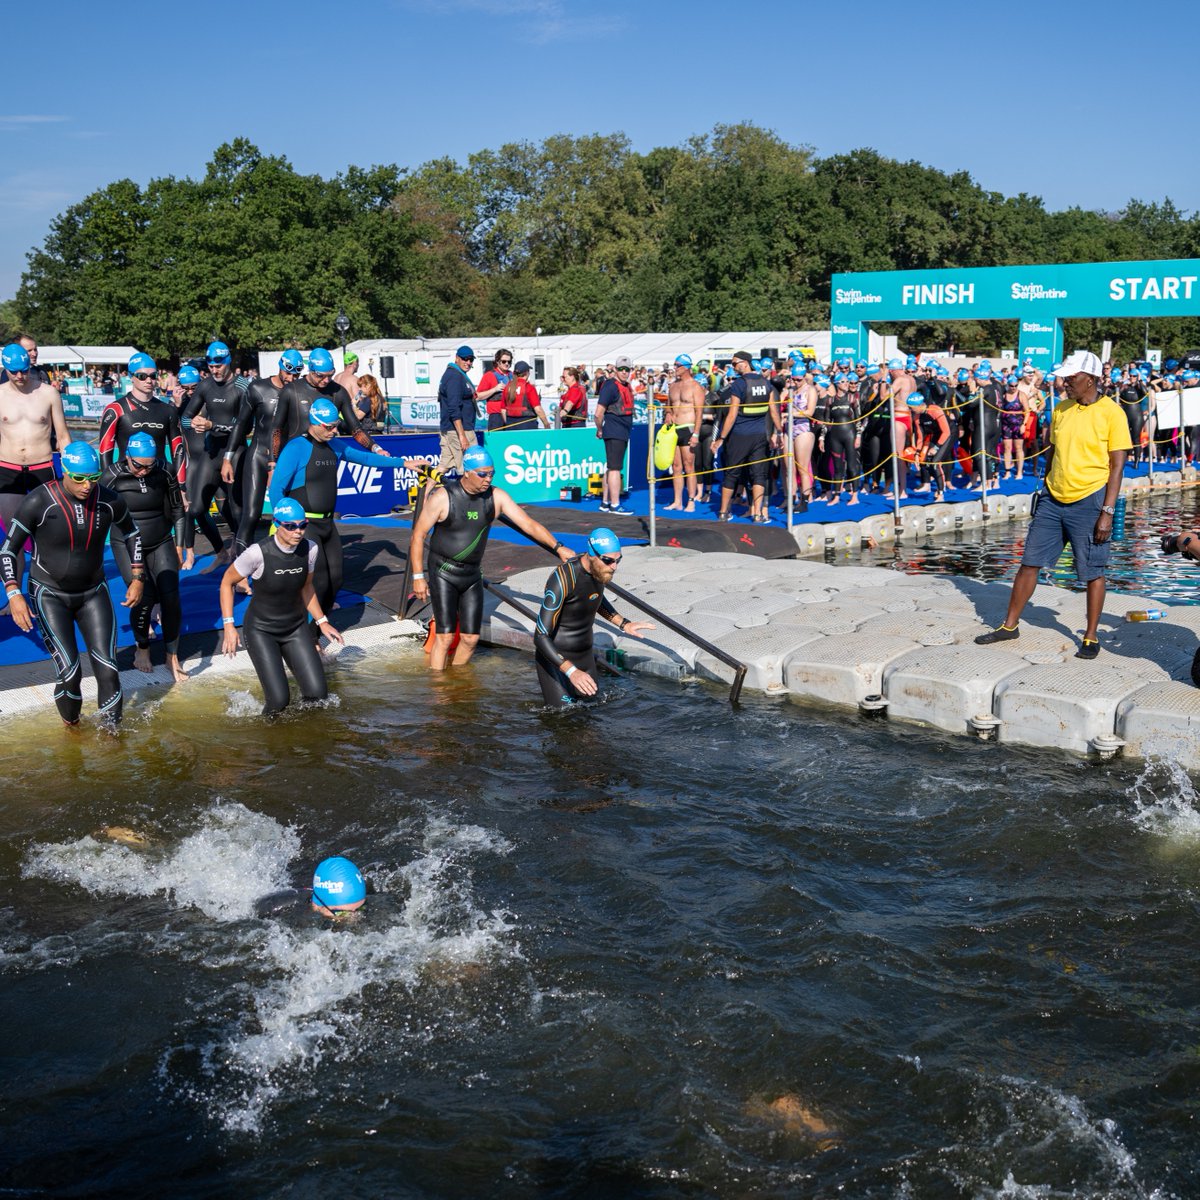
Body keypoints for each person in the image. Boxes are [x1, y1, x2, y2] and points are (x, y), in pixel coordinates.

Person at [976, 350, 1132, 659]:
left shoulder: (1112, 413)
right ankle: (1009, 625)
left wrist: (1107, 512)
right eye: (1065, 377)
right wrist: (1044, 487)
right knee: (1029, 562)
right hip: (1053, 498)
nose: (1064, 383)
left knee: (1092, 571)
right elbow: (1052, 451)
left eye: (1071, 378)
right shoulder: (1061, 409)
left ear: (1091, 379)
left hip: (1091, 500)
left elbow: (1117, 467)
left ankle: (1090, 636)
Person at [1, 441, 144, 725]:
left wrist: (138, 576)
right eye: (79, 478)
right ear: (63, 471)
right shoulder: (39, 501)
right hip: (49, 594)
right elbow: (8, 550)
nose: (87, 485)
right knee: (70, 671)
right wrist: (14, 592)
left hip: (93, 593)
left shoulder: (109, 499)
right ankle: (73, 730)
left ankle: (111, 739)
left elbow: (132, 535)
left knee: (108, 667)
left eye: (92, 478)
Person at [409, 445, 574, 671]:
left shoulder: (496, 496)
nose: (488, 479)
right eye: (482, 474)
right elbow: (418, 536)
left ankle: (456, 681)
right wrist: (418, 576)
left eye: (492, 473)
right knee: (445, 638)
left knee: (470, 639)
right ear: (467, 472)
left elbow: (528, 524)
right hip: (443, 572)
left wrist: (558, 547)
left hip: (472, 575)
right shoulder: (443, 497)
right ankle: (438, 692)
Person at [267, 398, 395, 646]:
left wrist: (404, 463)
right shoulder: (296, 448)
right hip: (305, 527)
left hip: (327, 525)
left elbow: (366, 459)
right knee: (319, 581)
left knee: (335, 581)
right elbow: (277, 490)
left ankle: (315, 631)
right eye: (329, 426)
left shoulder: (335, 446)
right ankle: (307, 639)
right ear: (315, 423)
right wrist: (284, 524)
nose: (335, 430)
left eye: (336, 425)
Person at [220, 496, 344, 716]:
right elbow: (226, 582)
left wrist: (322, 621)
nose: (298, 531)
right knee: (279, 702)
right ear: (277, 524)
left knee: (318, 696)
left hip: (295, 628)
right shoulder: (257, 553)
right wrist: (229, 626)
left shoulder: (310, 549)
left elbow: (307, 588)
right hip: (262, 630)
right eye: (291, 526)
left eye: (302, 525)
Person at [532, 527, 654, 704]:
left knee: (591, 714)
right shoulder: (564, 578)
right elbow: (540, 636)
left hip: (585, 656)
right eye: (608, 561)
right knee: (563, 720)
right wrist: (571, 671)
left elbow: (594, 597)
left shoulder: (599, 571)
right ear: (592, 554)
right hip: (557, 661)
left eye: (618, 560)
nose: (614, 567)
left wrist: (624, 624)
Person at [103, 431, 189, 682]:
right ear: (127, 456)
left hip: (161, 540)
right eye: (138, 465)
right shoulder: (113, 475)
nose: (143, 471)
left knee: (171, 597)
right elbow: (95, 515)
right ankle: (142, 649)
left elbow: (177, 509)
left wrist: (180, 543)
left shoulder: (163, 470)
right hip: (125, 544)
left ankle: (172, 655)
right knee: (144, 597)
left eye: (148, 466)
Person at [226, 348, 304, 554]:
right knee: (251, 515)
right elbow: (241, 424)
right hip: (259, 456)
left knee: (292, 516)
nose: (292, 378)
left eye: (296, 374)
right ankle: (239, 570)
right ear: (280, 367)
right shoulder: (258, 388)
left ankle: (287, 564)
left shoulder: (298, 391)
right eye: (288, 372)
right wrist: (228, 457)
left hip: (286, 460)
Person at [0, 342, 71, 531]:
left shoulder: (48, 393)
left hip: (42, 466)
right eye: (14, 372)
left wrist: (70, 471)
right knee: (12, 533)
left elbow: (63, 437)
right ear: (5, 368)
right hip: (8, 468)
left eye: (24, 370)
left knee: (49, 529)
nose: (20, 376)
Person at [272, 347, 389, 458]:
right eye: (321, 376)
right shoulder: (291, 390)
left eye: (330, 375)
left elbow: (355, 428)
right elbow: (276, 429)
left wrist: (376, 448)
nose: (326, 380)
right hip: (296, 458)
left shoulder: (338, 392)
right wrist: (273, 462)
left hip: (326, 458)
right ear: (311, 370)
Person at [712, 351, 783, 523]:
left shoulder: (739, 385)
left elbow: (731, 415)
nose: (733, 367)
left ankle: (723, 512)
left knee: (731, 473)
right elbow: (774, 412)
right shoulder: (766, 384)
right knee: (759, 475)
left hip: (739, 435)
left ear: (745, 363)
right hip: (760, 436)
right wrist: (779, 432)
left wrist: (721, 438)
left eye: (735, 363)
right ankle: (757, 514)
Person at [97, 351, 185, 472]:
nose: (149, 381)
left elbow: (178, 451)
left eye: (153, 376)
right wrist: (107, 485)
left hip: (159, 482)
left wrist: (180, 485)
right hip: (126, 482)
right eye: (142, 376)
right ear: (131, 376)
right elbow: (105, 453)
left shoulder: (168, 410)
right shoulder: (115, 410)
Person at [594, 355, 635, 515]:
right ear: (616, 370)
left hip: (620, 431)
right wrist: (599, 429)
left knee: (611, 467)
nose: (625, 372)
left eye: (627, 369)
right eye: (621, 369)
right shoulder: (610, 386)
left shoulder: (625, 386)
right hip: (614, 430)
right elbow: (598, 413)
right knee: (615, 468)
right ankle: (615, 504)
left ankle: (605, 502)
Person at [665, 354, 705, 511]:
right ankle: (677, 501)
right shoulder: (673, 386)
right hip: (674, 429)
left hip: (688, 427)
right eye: (674, 365)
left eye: (677, 365)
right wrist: (668, 413)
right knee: (676, 466)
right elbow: (668, 406)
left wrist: (696, 433)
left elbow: (699, 413)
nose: (675, 368)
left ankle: (691, 501)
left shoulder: (695, 387)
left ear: (686, 367)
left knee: (689, 466)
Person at [436, 344, 479, 474]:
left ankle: (424, 493)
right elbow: (453, 408)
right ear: (457, 358)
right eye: (465, 359)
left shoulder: (457, 374)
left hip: (450, 429)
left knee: (443, 467)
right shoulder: (454, 376)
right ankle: (469, 495)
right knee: (468, 468)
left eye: (471, 359)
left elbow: (471, 397)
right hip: (458, 430)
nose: (468, 362)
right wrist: (462, 436)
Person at [502, 361, 549, 431]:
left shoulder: (507, 387)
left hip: (510, 424)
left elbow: (503, 410)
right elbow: (538, 409)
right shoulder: (529, 387)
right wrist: (546, 424)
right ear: (527, 373)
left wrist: (508, 424)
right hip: (527, 424)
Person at [477, 349, 513, 431]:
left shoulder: (512, 375)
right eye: (504, 361)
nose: (507, 364)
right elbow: (477, 396)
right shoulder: (489, 376)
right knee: (496, 443)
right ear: (497, 361)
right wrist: (494, 389)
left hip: (511, 415)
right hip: (496, 417)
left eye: (509, 362)